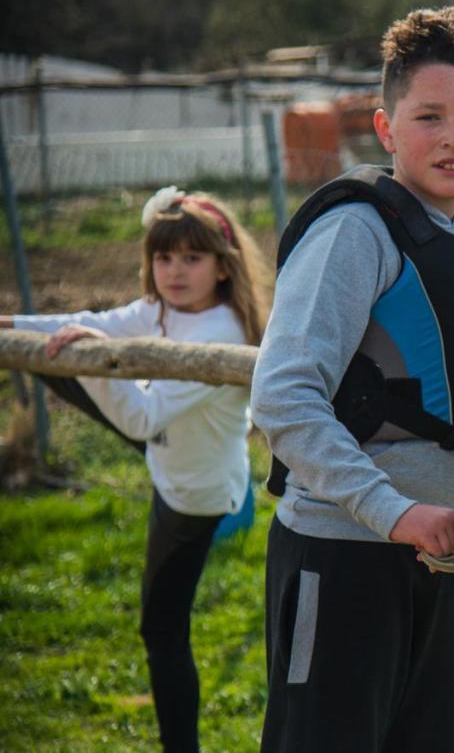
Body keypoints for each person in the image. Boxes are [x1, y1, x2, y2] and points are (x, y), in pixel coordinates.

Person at [250, 6, 454, 753]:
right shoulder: (356, 234)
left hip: (442, 549)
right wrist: (392, 511)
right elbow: (282, 397)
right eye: (429, 117)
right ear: (386, 130)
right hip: (345, 551)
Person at [1, 188, 269, 752]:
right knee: (53, 351)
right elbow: (91, 320)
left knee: (161, 628)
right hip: (167, 458)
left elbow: (143, 416)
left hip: (196, 493)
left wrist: (97, 358)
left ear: (223, 268)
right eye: (163, 258)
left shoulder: (221, 333)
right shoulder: (162, 309)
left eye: (191, 259)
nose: (173, 271)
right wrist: (15, 325)